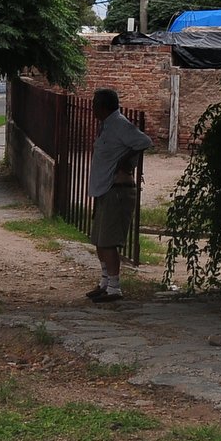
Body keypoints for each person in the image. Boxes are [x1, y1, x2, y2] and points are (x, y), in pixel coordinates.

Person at [85, 88, 152, 303]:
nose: (93, 107)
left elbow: (144, 141)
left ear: (104, 106)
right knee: (98, 239)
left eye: (96, 103)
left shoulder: (120, 124)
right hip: (105, 188)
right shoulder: (106, 125)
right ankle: (105, 282)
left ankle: (114, 288)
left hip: (117, 191)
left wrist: (125, 160)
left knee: (108, 241)